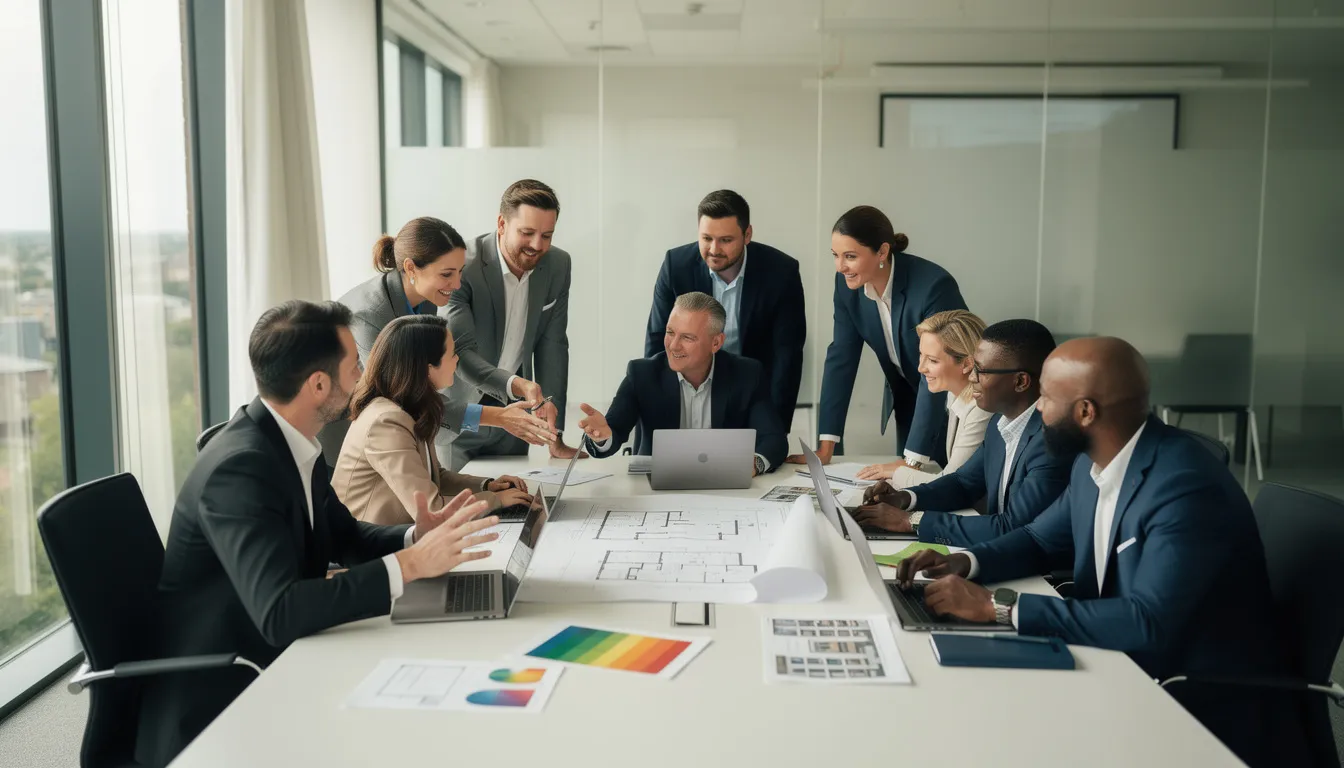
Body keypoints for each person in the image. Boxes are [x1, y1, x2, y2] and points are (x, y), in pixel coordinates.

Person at [894, 337, 1309, 768]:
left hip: (1190, 698)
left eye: (1047, 399)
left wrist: (998, 608)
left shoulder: (1185, 486)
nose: (1038, 410)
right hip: (1116, 659)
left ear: (1086, 412)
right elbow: (1039, 539)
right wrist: (965, 561)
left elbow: (1149, 623)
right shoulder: (1091, 461)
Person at [136, 301, 502, 767]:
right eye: (354, 366)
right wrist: (409, 567)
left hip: (283, 658)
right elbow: (280, 612)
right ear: (318, 385)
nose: (363, 375)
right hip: (223, 694)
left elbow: (344, 538)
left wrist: (414, 538)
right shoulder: (241, 468)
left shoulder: (291, 442)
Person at [323, 216, 555, 469]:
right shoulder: (368, 315)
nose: (456, 285)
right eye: (447, 274)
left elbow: (458, 355)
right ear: (411, 268)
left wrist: (516, 385)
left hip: (386, 431)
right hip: (339, 434)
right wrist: (499, 417)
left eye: (459, 273)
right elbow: (400, 396)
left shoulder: (427, 298)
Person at [854, 319, 1073, 547]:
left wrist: (911, 521)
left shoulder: (1050, 443)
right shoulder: (1000, 421)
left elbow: (1012, 526)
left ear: (1020, 381)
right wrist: (905, 498)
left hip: (1043, 576)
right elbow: (963, 482)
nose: (971, 377)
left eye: (981, 370)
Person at [788, 206, 967, 469]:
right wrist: (826, 447)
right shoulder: (849, 286)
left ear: (882, 252)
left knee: (942, 479)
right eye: (835, 255)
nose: (840, 267)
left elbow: (941, 368)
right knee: (904, 489)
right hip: (908, 396)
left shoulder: (933, 287)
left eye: (850, 256)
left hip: (951, 401)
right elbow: (841, 358)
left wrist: (913, 459)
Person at [333, 314, 533, 526]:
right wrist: (495, 501)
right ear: (428, 369)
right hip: (370, 550)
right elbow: (431, 511)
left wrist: (486, 486)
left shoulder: (410, 407)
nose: (457, 360)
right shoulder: (386, 422)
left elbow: (435, 477)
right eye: (452, 354)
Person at [443, 179, 580, 469]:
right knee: (461, 507)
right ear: (502, 224)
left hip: (516, 417)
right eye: (527, 233)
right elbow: (460, 352)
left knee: (514, 503)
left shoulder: (558, 265)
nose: (537, 245)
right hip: (459, 414)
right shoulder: (462, 265)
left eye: (547, 235)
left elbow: (553, 346)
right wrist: (516, 384)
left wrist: (554, 435)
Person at [644, 190, 805, 430]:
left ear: (747, 234)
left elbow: (787, 357)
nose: (714, 249)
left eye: (726, 240)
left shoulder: (781, 272)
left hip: (751, 393)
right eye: (706, 238)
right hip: (689, 387)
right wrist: (657, 414)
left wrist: (776, 430)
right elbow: (658, 340)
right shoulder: (676, 265)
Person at [576, 292, 787, 474]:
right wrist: (602, 437)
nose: (673, 346)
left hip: (724, 486)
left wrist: (754, 464)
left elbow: (774, 439)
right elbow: (614, 431)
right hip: (655, 489)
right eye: (670, 333)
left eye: (687, 337)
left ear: (716, 342)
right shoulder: (642, 373)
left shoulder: (747, 374)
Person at [857, 309, 990, 487]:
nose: (921, 368)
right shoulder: (954, 395)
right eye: (921, 355)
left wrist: (897, 472)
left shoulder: (980, 409)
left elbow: (949, 483)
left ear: (966, 364)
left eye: (933, 360)